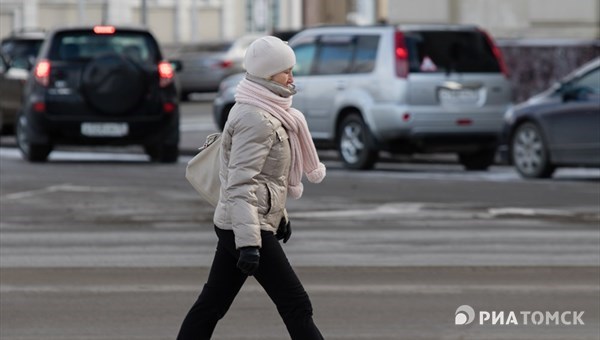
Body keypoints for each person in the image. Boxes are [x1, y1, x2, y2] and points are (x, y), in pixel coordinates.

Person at [176, 36, 326, 340]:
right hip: (247, 227)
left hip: (244, 222)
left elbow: (268, 177)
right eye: (286, 70)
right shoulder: (256, 118)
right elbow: (241, 183)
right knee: (296, 305)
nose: (291, 76)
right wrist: (248, 244)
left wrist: (280, 215)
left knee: (212, 304)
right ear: (268, 74)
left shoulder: (268, 109)